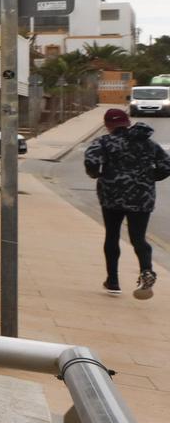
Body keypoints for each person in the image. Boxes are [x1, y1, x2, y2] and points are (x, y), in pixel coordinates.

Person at [84, 108, 170, 299]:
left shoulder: (103, 142)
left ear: (107, 125)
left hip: (111, 196)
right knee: (138, 237)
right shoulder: (149, 144)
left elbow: (91, 162)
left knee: (112, 235)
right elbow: (166, 166)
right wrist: (148, 179)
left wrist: (98, 175)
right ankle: (146, 270)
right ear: (128, 122)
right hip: (142, 197)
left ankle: (113, 281)